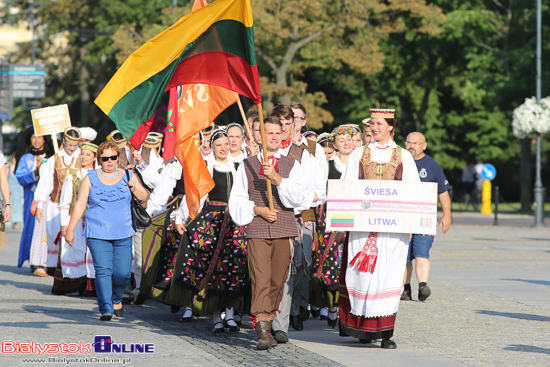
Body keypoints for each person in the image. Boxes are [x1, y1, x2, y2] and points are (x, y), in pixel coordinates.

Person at [336, 108, 420, 349]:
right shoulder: (358, 154)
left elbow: (413, 191)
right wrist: (342, 225)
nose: (374, 128)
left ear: (391, 127)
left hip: (393, 230)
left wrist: (412, 223)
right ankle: (361, 327)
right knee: (362, 275)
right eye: (372, 124)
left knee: (388, 276)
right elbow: (347, 189)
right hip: (363, 228)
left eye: (379, 124)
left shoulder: (403, 156)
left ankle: (386, 333)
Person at [229, 116, 309, 350]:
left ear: (283, 135)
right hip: (258, 228)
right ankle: (262, 328)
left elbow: (300, 199)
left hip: (284, 228)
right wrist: (257, 209)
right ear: (258, 137)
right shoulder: (247, 164)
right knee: (261, 277)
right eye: (268, 133)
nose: (273, 137)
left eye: (277, 133)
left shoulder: (293, 164)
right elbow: (236, 200)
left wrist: (277, 179)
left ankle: (269, 317)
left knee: (278, 279)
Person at [170, 129, 248, 333]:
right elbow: (195, 195)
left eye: (226, 144)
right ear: (212, 148)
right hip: (212, 223)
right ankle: (216, 318)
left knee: (234, 268)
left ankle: (230, 315)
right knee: (214, 270)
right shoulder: (206, 167)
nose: (224, 148)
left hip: (235, 223)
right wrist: (180, 216)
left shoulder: (239, 167)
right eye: (219, 145)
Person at [65, 141, 147, 321]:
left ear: (118, 158)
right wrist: (70, 229)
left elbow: (144, 197)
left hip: (123, 231)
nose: (109, 161)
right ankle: (106, 307)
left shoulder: (128, 174)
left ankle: (116, 298)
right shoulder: (90, 177)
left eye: (113, 157)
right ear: (99, 160)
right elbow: (80, 205)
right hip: (97, 232)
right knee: (103, 270)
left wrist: (134, 187)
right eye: (105, 158)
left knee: (123, 273)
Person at [271, 104, 325, 336]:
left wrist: (298, 199)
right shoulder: (261, 153)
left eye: (287, 124)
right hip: (268, 218)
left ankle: (288, 316)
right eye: (279, 124)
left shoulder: (305, 154)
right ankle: (268, 319)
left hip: (298, 217)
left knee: (297, 269)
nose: (283, 129)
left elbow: (317, 191)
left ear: (295, 124)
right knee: (273, 271)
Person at [310, 125, 355, 328]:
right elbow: (318, 194)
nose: (347, 142)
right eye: (342, 139)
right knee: (329, 266)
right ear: (334, 144)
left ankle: (349, 311)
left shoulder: (360, 166)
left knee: (351, 266)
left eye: (350, 139)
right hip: (328, 220)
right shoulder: (327, 167)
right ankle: (331, 306)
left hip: (355, 220)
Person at [401, 132, 451, 301]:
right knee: (404, 256)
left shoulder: (432, 165)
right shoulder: (399, 162)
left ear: (424, 145)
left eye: (415, 143)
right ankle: (405, 290)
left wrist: (447, 215)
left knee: (422, 253)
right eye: (408, 142)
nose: (411, 146)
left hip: (424, 218)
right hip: (402, 217)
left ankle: (423, 286)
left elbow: (443, 192)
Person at [34, 127, 82, 278]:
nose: (72, 148)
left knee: (75, 240)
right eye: (69, 145)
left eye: (75, 146)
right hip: (56, 205)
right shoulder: (54, 159)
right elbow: (46, 183)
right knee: (55, 238)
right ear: (65, 142)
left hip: (76, 206)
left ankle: (75, 274)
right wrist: (40, 205)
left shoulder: (82, 158)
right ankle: (59, 274)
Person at [53, 142, 98, 296]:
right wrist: (64, 225)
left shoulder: (99, 175)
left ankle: (92, 286)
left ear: (94, 158)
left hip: (94, 221)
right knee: (76, 251)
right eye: (82, 153)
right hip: (76, 221)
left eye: (88, 154)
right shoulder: (72, 177)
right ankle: (77, 284)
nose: (84, 157)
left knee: (93, 252)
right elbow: (65, 203)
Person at [14, 127, 54, 270]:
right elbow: (20, 178)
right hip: (31, 198)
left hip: (50, 199)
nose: (36, 140)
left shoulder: (52, 158)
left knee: (50, 228)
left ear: (44, 139)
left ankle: (50, 261)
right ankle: (34, 260)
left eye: (39, 137)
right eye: (33, 137)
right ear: (30, 140)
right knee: (32, 228)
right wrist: (35, 172)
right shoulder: (26, 158)